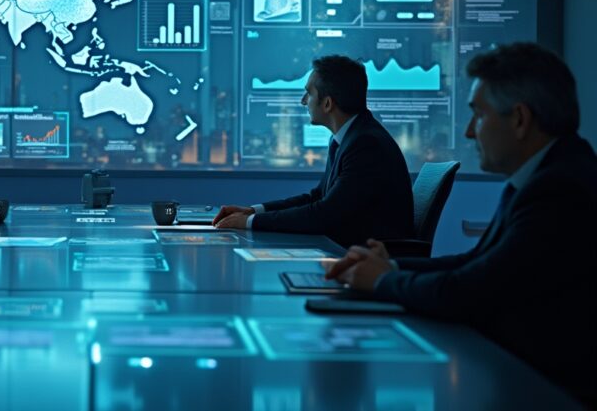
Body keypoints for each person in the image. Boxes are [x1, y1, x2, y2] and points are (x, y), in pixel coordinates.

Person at [325, 43, 596, 405]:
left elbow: (472, 289)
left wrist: (385, 280)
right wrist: (390, 266)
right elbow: (477, 262)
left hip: (540, 389)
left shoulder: (559, 189)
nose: (469, 132)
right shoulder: (544, 176)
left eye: (478, 115)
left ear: (519, 119)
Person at [214, 55, 413, 248]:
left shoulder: (366, 145)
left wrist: (250, 222)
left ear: (327, 103)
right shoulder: (351, 137)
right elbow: (317, 198)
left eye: (309, 93)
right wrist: (252, 212)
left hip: (367, 263)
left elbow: (324, 214)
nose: (303, 101)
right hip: (348, 251)